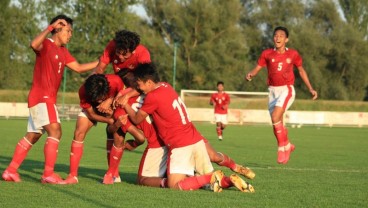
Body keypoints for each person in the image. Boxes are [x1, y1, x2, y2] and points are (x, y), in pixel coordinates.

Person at [118, 63, 254, 192]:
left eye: (139, 84)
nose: (138, 87)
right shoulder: (166, 86)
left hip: (180, 144)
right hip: (195, 138)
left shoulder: (152, 97)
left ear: (148, 82)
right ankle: (229, 180)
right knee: (207, 178)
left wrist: (125, 104)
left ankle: (211, 177)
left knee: (174, 184)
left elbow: (136, 118)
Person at [2, 14, 99, 184]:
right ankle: (48, 174)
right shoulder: (46, 44)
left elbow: (78, 67)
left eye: (71, 32)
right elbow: (33, 44)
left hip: (43, 99)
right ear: (58, 29)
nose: (70, 35)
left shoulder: (63, 51)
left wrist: (101, 62)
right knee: (56, 131)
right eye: (68, 31)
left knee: (33, 135)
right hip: (42, 97)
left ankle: (10, 171)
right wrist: (49, 27)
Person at [245, 26, 318, 164]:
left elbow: (301, 71)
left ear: (286, 39)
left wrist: (311, 88)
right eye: (275, 35)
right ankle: (288, 145)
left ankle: (281, 148)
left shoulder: (293, 54)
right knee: (276, 123)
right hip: (272, 91)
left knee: (275, 116)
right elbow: (257, 68)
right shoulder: (267, 54)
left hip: (286, 89)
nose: (277, 38)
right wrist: (251, 74)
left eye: (281, 36)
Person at [62, 74, 145, 184]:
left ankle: (113, 174)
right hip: (94, 112)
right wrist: (109, 121)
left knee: (117, 136)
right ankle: (72, 176)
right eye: (96, 99)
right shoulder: (83, 91)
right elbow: (91, 114)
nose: (99, 101)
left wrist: (110, 101)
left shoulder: (115, 81)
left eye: (101, 98)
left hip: (114, 108)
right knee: (79, 132)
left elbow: (122, 97)